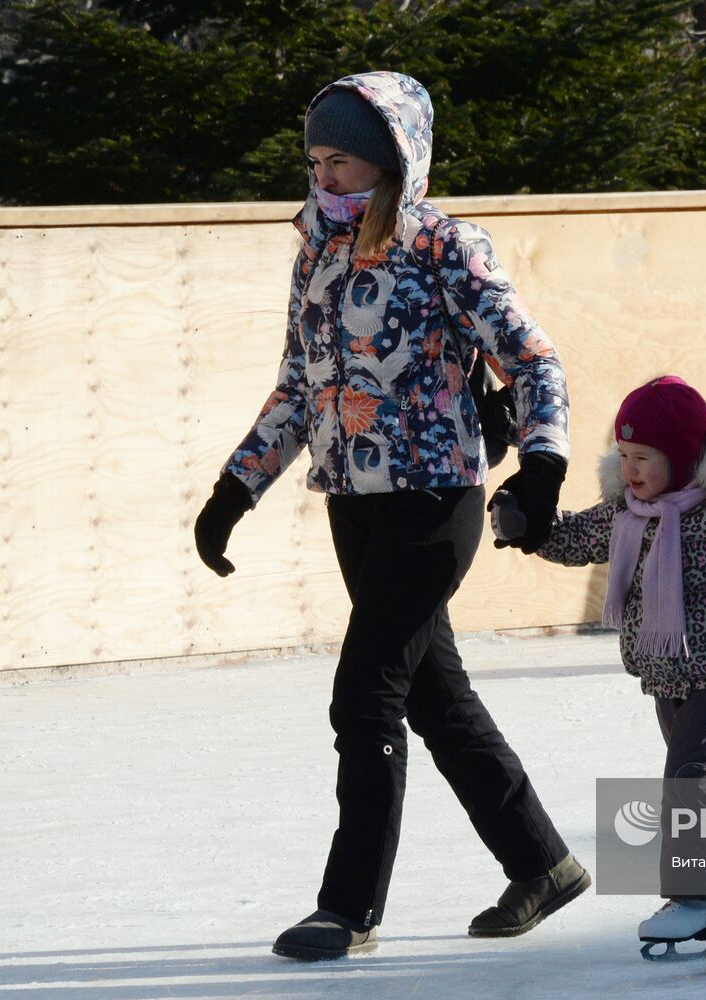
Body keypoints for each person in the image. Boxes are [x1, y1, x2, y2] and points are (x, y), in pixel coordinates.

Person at [192, 72, 588, 961]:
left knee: (365, 693)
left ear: (393, 161)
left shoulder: (446, 244)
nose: (324, 179)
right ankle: (543, 862)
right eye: (317, 162)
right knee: (434, 698)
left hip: (433, 499)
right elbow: (300, 385)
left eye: (341, 163)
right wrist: (235, 488)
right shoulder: (316, 251)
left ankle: (348, 906)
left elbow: (532, 360)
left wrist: (543, 467)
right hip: (353, 503)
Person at [507, 375, 706, 955]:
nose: (630, 469)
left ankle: (696, 900)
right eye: (623, 456)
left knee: (695, 776)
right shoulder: (626, 511)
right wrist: (532, 528)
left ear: (681, 457)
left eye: (644, 457)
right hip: (666, 669)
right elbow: (575, 538)